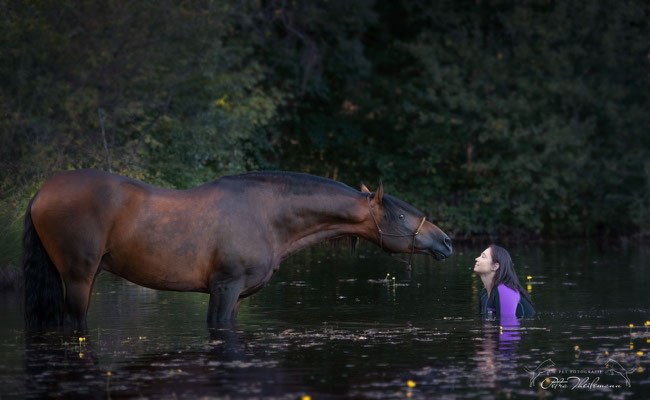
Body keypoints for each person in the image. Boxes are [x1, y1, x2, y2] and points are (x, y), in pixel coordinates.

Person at [474, 244, 535, 319]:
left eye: (483, 257)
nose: (476, 259)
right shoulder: (484, 293)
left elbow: (507, 326)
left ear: (495, 266)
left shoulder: (505, 290)